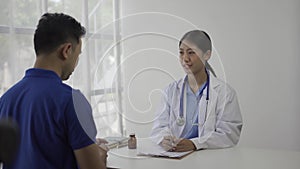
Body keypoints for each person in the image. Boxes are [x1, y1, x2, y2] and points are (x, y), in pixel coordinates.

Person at [0, 13, 107, 169]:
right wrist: (99, 157)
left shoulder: (5, 100)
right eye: (78, 56)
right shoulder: (71, 101)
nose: (76, 64)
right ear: (67, 50)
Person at [151, 30, 243, 152]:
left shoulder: (224, 93)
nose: (185, 59)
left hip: (210, 159)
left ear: (207, 55)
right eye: (181, 53)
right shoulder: (171, 91)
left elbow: (229, 134)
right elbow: (159, 127)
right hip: (176, 157)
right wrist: (165, 139)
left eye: (191, 53)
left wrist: (195, 144)